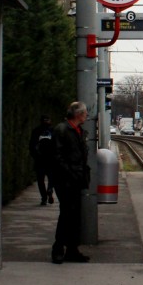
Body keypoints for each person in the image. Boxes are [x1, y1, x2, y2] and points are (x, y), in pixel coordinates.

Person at [48, 101, 91, 264]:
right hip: (65, 180)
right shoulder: (62, 130)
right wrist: (71, 172)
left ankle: (72, 249)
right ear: (78, 114)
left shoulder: (77, 130)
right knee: (67, 214)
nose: (87, 115)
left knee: (74, 215)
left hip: (75, 178)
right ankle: (58, 249)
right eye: (85, 113)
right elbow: (57, 156)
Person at [29, 115, 56, 205]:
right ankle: (50, 189)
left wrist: (35, 156)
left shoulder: (36, 131)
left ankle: (44, 197)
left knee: (40, 180)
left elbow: (31, 145)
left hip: (40, 159)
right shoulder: (53, 131)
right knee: (51, 177)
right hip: (51, 159)